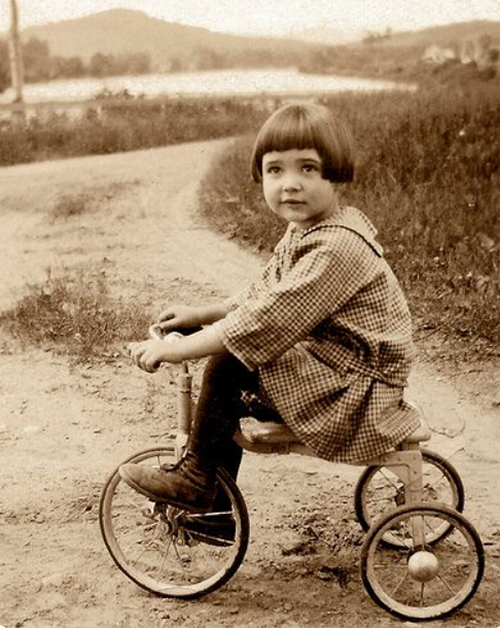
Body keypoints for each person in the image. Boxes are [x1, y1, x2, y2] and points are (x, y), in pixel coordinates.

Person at [119, 102, 420, 527]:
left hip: (359, 392)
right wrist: (202, 313)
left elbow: (265, 322)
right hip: (338, 369)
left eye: (308, 170)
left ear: (337, 175)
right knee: (234, 369)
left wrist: (178, 350)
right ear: (261, 176)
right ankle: (216, 510)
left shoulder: (336, 248)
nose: (290, 185)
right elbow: (264, 294)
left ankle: (197, 480)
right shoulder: (309, 230)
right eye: (276, 170)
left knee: (230, 361)